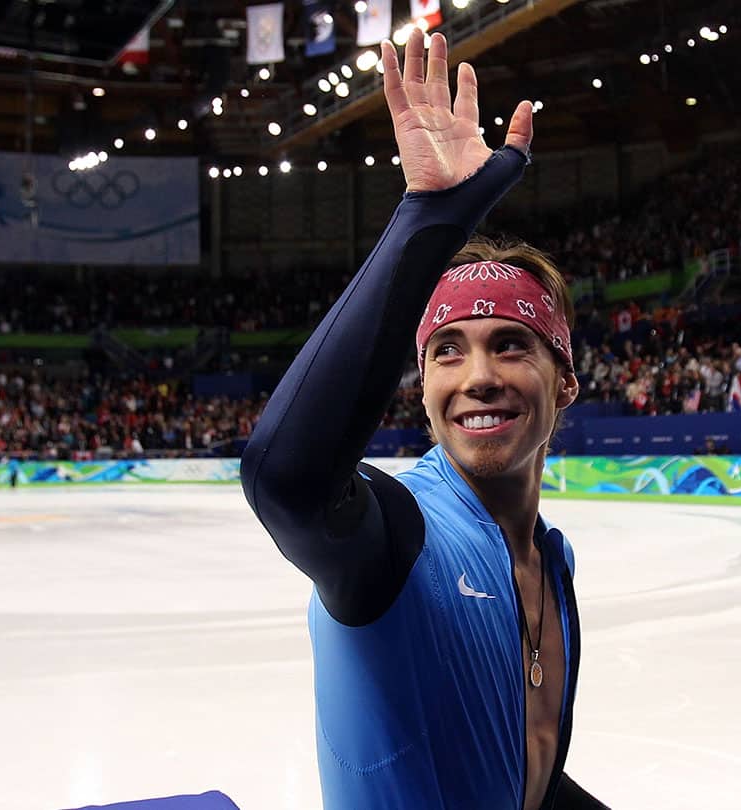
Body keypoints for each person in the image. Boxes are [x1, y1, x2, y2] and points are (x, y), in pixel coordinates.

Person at [240, 32, 604, 809]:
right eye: (447, 351)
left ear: (566, 381)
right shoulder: (400, 536)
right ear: (423, 388)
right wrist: (430, 218)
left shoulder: (554, 560)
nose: (478, 377)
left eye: (511, 344)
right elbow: (286, 481)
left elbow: (527, 768)